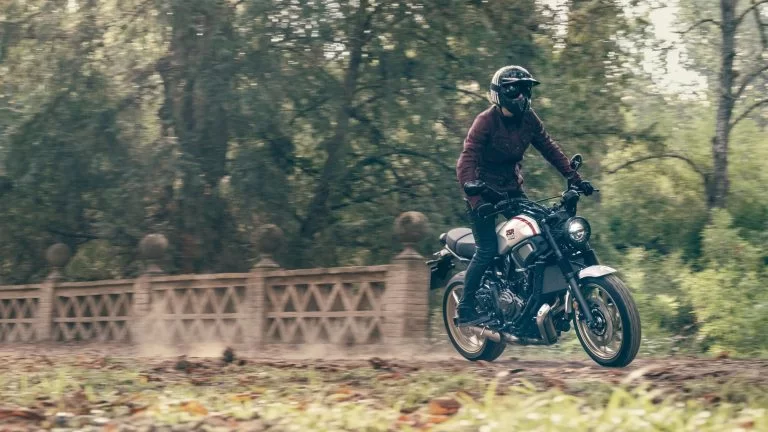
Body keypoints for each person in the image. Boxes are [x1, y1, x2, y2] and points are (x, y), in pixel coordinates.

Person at [454, 65, 594, 326]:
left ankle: (529, 293)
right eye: (514, 90)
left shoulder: (529, 119)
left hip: (511, 190)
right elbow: (467, 159)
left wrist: (576, 179)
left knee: (542, 232)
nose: (521, 96)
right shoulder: (486, 121)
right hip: (482, 193)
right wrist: (475, 197)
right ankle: (466, 308)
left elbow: (550, 149)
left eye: (525, 90)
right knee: (487, 250)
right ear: (500, 93)